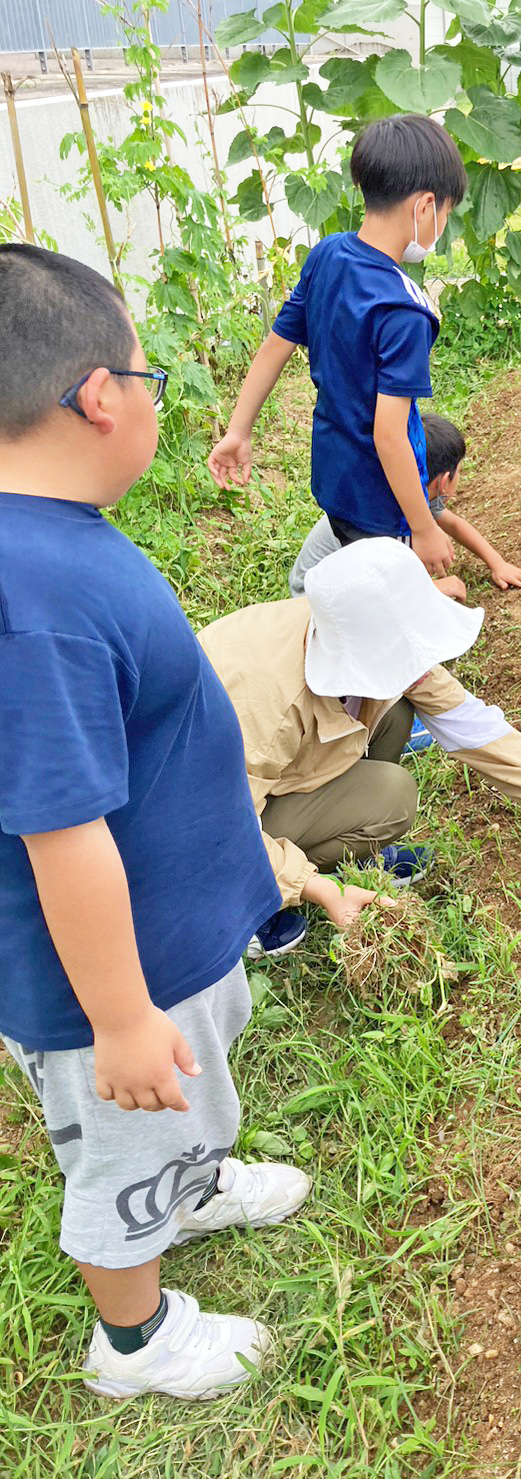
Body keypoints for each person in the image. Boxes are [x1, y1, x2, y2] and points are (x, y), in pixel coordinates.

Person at [0, 245, 311, 1400]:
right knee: (124, 1143)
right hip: (113, 985)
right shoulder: (32, 599)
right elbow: (60, 832)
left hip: (170, 938)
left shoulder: (53, 538)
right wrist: (122, 1019)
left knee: (188, 1099)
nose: (151, 398)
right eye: (149, 376)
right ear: (96, 395)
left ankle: (190, 1182)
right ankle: (133, 1336)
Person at [199, 539, 521, 954]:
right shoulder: (265, 703)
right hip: (198, 820)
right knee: (391, 796)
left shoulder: (359, 630)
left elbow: (467, 721)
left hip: (261, 782)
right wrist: (321, 889)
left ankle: (344, 849)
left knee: (396, 711)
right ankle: (248, 902)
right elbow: (220, 829)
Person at [208, 114, 468, 578]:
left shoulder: (327, 254)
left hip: (333, 477)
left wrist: (238, 430)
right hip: (382, 501)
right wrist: (423, 525)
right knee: (380, 607)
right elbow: (389, 435)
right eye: (446, 213)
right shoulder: (404, 310)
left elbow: (276, 345)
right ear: (425, 206)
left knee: (343, 577)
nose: (442, 224)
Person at [288, 411, 521, 600]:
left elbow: (454, 524)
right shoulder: (383, 519)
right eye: (460, 471)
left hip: (334, 585)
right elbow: (382, 588)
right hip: (312, 598)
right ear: (445, 481)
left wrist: (498, 564)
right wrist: (437, 588)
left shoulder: (409, 492)